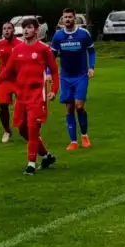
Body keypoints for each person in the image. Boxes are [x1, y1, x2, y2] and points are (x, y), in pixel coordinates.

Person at [0, 18, 59, 175]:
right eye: (24, 27)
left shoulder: (44, 49)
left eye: (29, 27)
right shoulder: (17, 50)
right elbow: (8, 69)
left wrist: (54, 90)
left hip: (37, 94)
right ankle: (46, 156)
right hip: (21, 94)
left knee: (32, 128)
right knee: (22, 129)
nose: (25, 30)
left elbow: (55, 70)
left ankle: (31, 164)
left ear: (36, 30)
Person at [49, 8, 96, 151]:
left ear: (75, 19)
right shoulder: (58, 36)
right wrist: (48, 71)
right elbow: (51, 56)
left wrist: (91, 67)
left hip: (81, 75)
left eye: (70, 17)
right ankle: (73, 141)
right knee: (69, 108)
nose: (67, 19)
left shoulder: (83, 34)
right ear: (62, 20)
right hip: (65, 77)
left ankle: (84, 135)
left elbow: (91, 51)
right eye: (65, 17)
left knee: (79, 106)